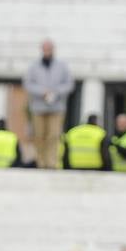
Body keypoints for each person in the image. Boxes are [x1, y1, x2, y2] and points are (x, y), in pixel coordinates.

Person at [23, 40, 73, 170]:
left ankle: (52, 163)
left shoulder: (62, 66)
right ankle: (41, 163)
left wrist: (55, 92)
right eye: (45, 48)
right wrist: (42, 92)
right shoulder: (33, 67)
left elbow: (69, 84)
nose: (47, 51)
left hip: (57, 107)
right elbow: (28, 84)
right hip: (38, 107)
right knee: (39, 136)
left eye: (49, 48)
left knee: (54, 135)